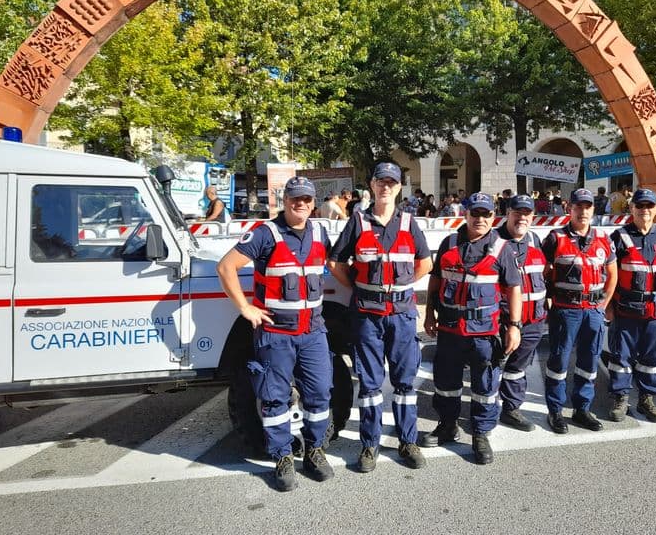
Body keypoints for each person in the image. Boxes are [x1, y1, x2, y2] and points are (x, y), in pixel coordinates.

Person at [216, 176, 334, 492]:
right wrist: (245, 308)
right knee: (274, 398)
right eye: (295, 198)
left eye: (306, 199)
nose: (301, 204)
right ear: (285, 201)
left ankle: (314, 450)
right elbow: (226, 267)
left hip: (313, 332)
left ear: (313, 202)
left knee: (320, 393)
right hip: (276, 334)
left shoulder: (320, 232)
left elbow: (332, 266)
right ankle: (282, 456)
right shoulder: (265, 234)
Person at [329, 162, 433, 472]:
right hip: (367, 316)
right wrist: (362, 288)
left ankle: (407, 441)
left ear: (399, 187)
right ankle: (370, 445)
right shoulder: (358, 221)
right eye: (380, 181)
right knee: (370, 385)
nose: (385, 187)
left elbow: (425, 263)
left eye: (391, 182)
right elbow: (335, 263)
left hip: (401, 315)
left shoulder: (409, 222)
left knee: (404, 384)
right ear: (372, 185)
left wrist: (399, 288)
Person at [422, 192, 522, 464]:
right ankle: (447, 425)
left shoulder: (502, 248)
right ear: (465, 214)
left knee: (485, 386)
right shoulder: (449, 243)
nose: (480, 219)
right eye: (474, 213)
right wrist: (429, 313)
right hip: (450, 329)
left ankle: (480, 432)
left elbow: (514, 289)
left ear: (493, 216)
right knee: (446, 383)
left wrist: (514, 326)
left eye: (486, 214)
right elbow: (436, 280)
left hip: (484, 332)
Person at [541, 188, 618, 434]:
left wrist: (603, 305)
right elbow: (542, 273)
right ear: (569, 208)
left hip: (593, 311)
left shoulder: (603, 238)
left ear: (593, 210)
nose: (583, 212)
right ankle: (555, 411)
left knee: (589, 362)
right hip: (566, 311)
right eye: (578, 207)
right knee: (559, 361)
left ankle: (582, 409)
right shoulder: (555, 238)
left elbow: (612, 275)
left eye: (587, 207)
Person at [607, 188, 656, 423]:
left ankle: (646, 399)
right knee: (621, 356)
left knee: (653, 357)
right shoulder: (619, 237)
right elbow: (609, 274)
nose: (644, 210)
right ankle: (620, 398)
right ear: (632, 208)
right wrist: (608, 306)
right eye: (640, 206)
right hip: (626, 310)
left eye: (649, 206)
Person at [495, 194, 548, 432]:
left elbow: (545, 273)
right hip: (502, 319)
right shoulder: (493, 240)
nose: (522, 218)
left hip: (533, 319)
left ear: (533, 216)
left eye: (527, 213)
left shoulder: (535, 240)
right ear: (508, 213)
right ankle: (484, 412)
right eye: (517, 213)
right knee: (491, 366)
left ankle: (511, 409)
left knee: (517, 368)